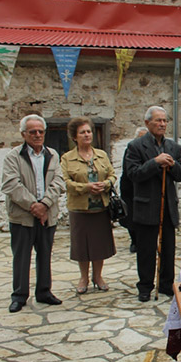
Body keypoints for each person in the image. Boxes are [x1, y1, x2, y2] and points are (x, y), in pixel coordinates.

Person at [2, 114, 65, 313]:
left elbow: (59, 182)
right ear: (23, 134)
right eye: (32, 132)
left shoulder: (53, 155)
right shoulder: (13, 156)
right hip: (23, 216)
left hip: (47, 214)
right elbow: (11, 185)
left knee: (45, 254)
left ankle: (44, 291)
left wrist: (45, 204)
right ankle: (19, 295)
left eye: (41, 131)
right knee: (21, 256)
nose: (37, 135)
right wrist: (34, 206)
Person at [124, 106, 181, 302]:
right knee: (146, 249)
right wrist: (155, 162)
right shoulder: (135, 146)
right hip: (146, 205)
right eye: (158, 121)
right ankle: (145, 286)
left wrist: (172, 165)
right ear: (147, 123)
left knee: (168, 248)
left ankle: (166, 283)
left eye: (164, 121)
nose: (162, 124)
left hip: (167, 205)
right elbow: (133, 174)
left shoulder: (173, 147)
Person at [60, 117, 117, 294]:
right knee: (82, 246)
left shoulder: (101, 155)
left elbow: (112, 174)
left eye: (89, 131)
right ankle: (83, 277)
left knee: (99, 244)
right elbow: (66, 182)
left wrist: (106, 184)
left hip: (101, 206)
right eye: (82, 132)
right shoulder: (67, 158)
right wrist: (86, 188)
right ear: (74, 137)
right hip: (80, 208)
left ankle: (98, 276)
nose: (87, 135)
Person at [119, 126, 148, 253]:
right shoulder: (131, 149)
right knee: (130, 216)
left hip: (146, 187)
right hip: (130, 187)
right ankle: (134, 240)